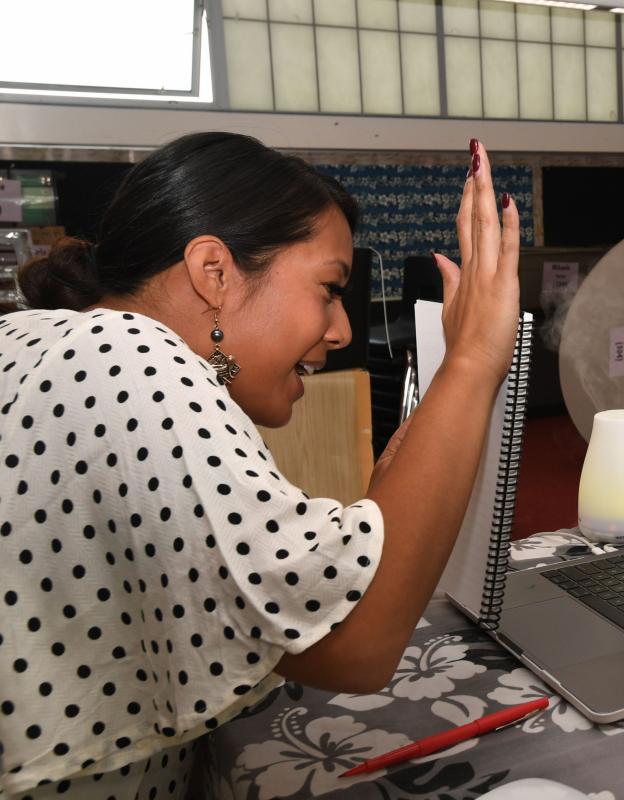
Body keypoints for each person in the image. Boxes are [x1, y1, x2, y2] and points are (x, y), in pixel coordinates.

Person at [0, 132, 520, 798]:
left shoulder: (47, 340)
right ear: (214, 272)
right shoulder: (133, 358)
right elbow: (353, 645)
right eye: (329, 289)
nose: (340, 330)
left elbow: (333, 576)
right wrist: (474, 359)